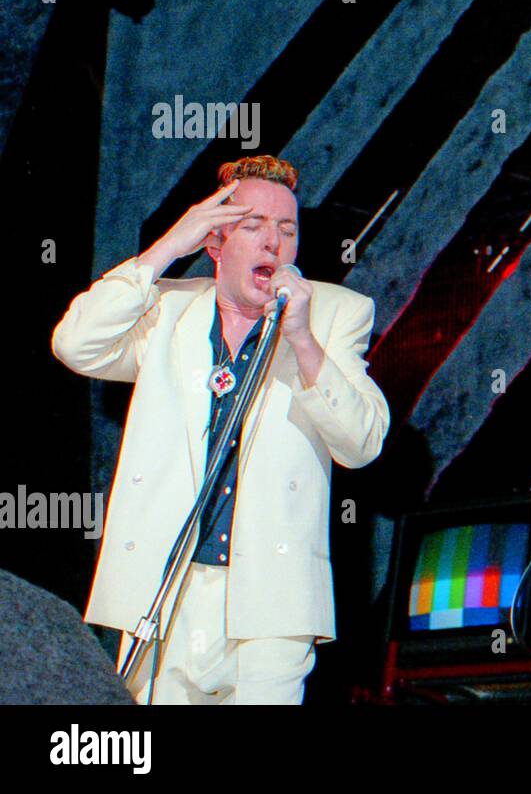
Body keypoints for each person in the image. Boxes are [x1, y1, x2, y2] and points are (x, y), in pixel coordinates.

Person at [52, 155, 389, 704]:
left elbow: (363, 442)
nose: (273, 243)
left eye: (286, 229)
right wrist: (165, 248)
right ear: (214, 242)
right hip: (164, 591)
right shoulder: (166, 311)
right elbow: (75, 343)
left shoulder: (333, 313)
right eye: (253, 226)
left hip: (270, 600)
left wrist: (303, 341)